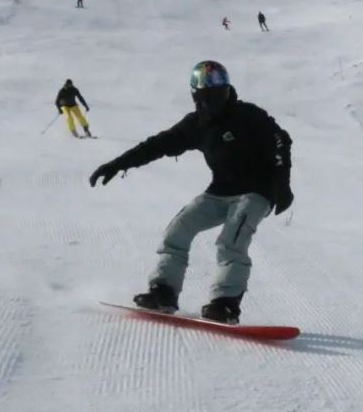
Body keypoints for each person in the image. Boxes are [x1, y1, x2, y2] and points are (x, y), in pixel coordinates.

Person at [89, 60, 293, 324]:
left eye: (216, 86)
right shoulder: (197, 124)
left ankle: (225, 304)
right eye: (204, 90)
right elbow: (157, 144)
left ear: (226, 88)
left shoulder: (249, 116)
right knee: (178, 231)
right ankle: (163, 291)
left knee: (231, 241)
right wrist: (118, 164)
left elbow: (281, 142)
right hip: (219, 192)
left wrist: (282, 183)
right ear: (195, 94)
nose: (210, 96)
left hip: (257, 191)